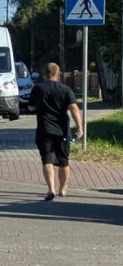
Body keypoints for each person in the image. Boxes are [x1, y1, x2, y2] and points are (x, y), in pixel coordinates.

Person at [28, 62, 84, 201]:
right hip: (62, 131)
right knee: (64, 161)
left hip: (44, 130)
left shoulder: (38, 89)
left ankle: (50, 189)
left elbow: (30, 108)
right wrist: (79, 127)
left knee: (47, 160)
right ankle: (63, 188)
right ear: (58, 74)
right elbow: (74, 109)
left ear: (44, 74)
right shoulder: (65, 89)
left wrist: (39, 107)